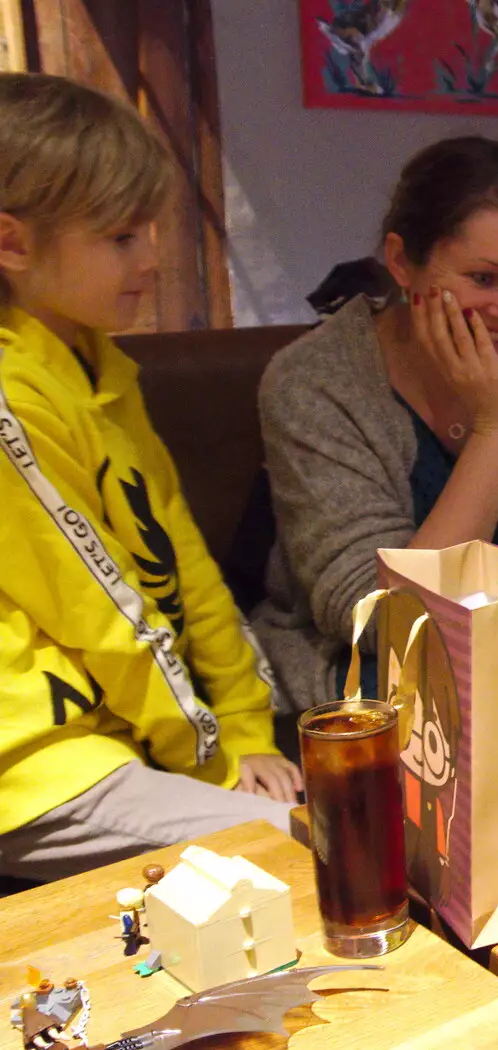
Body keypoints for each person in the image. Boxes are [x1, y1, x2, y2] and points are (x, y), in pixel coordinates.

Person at [0, 74, 297, 881]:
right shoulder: (12, 402)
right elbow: (107, 614)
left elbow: (184, 562)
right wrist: (207, 762)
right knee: (310, 844)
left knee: (337, 820)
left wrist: (243, 726)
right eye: (122, 238)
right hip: (35, 770)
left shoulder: (99, 366)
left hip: (112, 743)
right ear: (13, 245)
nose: (154, 259)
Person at [251, 137, 498, 711]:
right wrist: (496, 429)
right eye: (485, 278)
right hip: (371, 694)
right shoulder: (312, 382)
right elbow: (384, 624)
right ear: (401, 261)